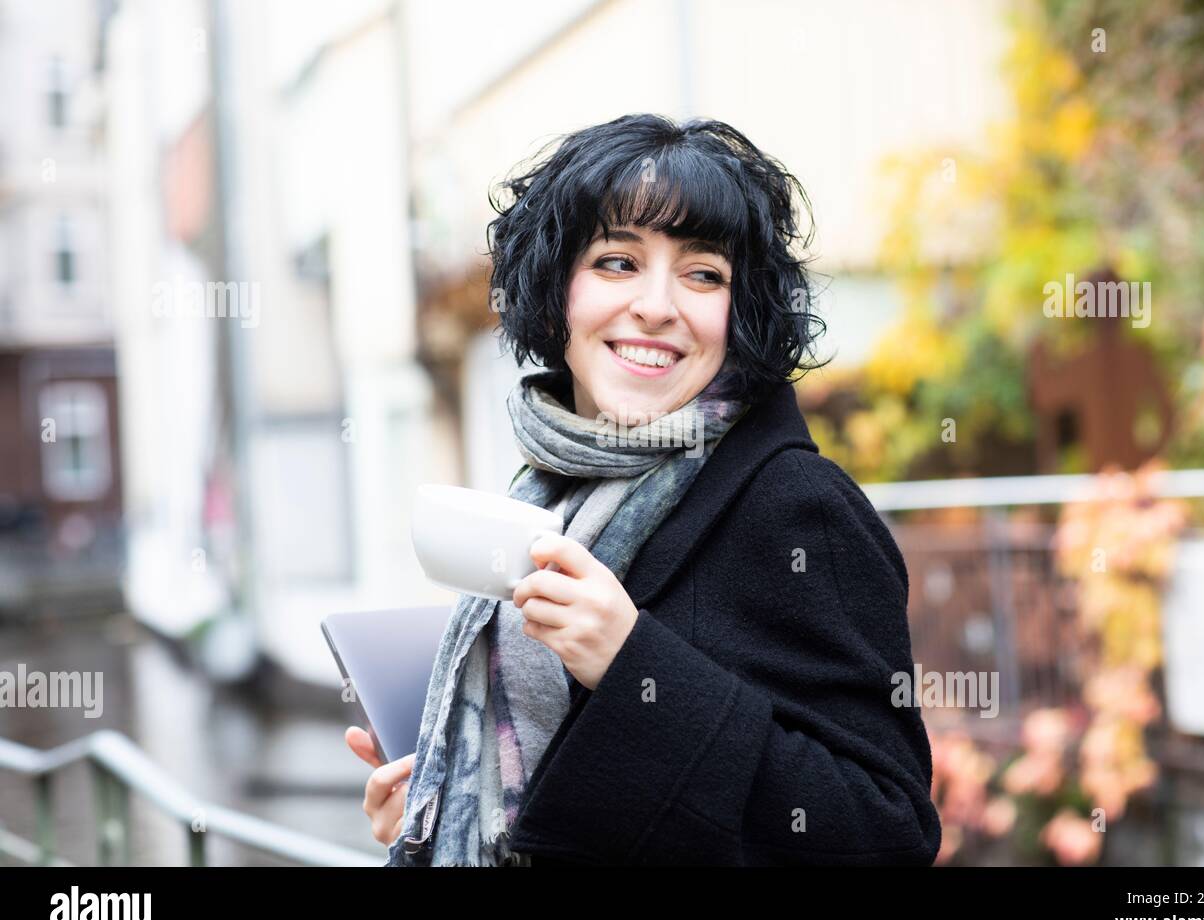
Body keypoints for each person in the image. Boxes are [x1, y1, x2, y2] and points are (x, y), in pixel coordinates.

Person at [346, 113, 941, 866]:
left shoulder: (797, 506)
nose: (657, 306)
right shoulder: (557, 487)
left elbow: (885, 836)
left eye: (702, 274)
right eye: (617, 262)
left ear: (741, 313)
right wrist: (437, 806)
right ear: (557, 289)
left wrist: (635, 665)